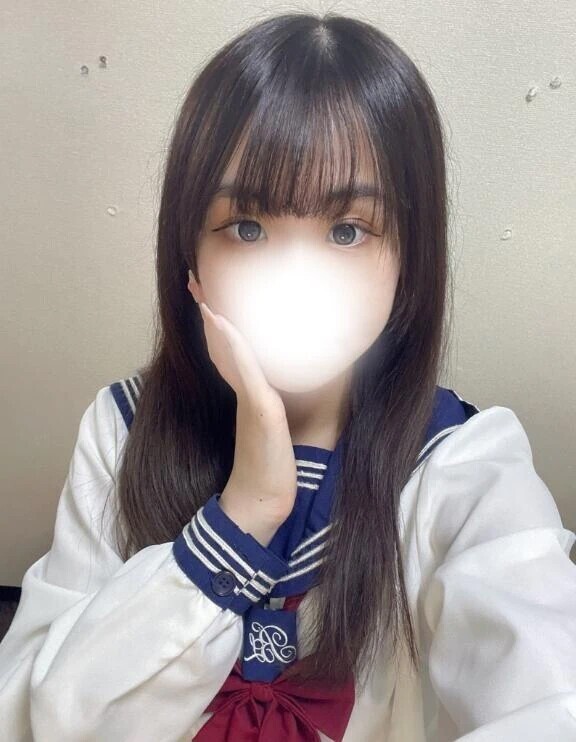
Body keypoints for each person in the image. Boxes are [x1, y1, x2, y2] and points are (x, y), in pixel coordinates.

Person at [1, 11, 575, 742]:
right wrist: (243, 515)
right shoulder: (122, 428)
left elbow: (549, 696)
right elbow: (37, 717)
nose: (296, 280)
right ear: (189, 254)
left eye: (346, 230)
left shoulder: (462, 461)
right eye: (248, 227)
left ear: (408, 259)